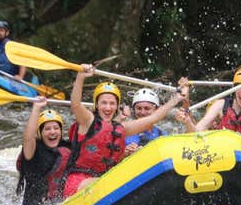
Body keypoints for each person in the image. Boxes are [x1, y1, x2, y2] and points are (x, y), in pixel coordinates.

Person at [65, 65, 184, 195]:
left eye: (112, 103)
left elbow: (153, 118)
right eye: (104, 103)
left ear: (117, 106)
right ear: (96, 105)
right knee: (110, 183)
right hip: (79, 182)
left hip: (103, 180)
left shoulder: (121, 129)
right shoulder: (88, 121)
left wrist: (175, 99)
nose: (108, 107)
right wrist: (80, 77)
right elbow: (75, 105)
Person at [15, 98, 72, 205]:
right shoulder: (33, 151)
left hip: (58, 203)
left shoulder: (67, 147)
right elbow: (28, 138)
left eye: (56, 128)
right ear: (40, 133)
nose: (52, 132)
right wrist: (36, 108)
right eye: (47, 129)